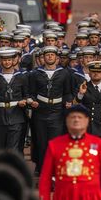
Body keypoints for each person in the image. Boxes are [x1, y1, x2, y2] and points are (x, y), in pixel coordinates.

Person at [38, 104, 101, 200]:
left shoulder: (99, 145)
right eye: (72, 117)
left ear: (87, 121)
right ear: (66, 121)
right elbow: (45, 178)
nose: (76, 120)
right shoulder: (54, 145)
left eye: (80, 117)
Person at [27, 46, 73, 174]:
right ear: (43, 58)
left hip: (57, 112)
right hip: (40, 112)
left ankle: (55, 172)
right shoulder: (35, 73)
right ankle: (44, 171)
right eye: (47, 55)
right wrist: (31, 101)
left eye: (52, 55)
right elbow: (31, 93)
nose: (50, 57)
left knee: (56, 144)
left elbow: (67, 92)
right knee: (41, 144)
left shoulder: (64, 73)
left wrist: (68, 103)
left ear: (57, 58)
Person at [0, 47, 29, 152]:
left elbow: (27, 95)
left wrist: (25, 101)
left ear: (14, 60)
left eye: (9, 60)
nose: (7, 62)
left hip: (16, 116)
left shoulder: (21, 77)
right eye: (4, 60)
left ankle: (12, 168)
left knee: (13, 148)